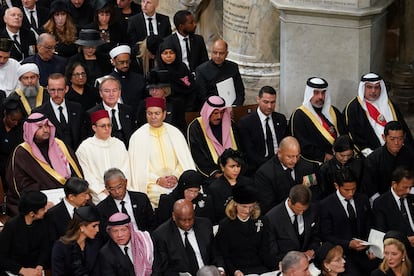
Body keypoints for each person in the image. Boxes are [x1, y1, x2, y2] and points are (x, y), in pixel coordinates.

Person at [5, 112, 83, 216]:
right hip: (39, 201)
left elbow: (75, 172)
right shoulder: (21, 152)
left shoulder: (59, 145)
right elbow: (19, 186)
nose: (46, 130)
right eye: (40, 127)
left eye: (47, 126)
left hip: (67, 195)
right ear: (30, 130)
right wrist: (45, 194)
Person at [129, 97, 195, 207]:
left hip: (177, 181)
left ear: (164, 114)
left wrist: (175, 176)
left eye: (157, 113)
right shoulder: (138, 137)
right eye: (149, 113)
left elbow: (183, 161)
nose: (153, 117)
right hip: (152, 185)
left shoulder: (175, 133)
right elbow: (138, 169)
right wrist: (158, 180)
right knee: (164, 199)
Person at [319, 167, 378, 275]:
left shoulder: (363, 199)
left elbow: (370, 225)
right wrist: (348, 244)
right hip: (343, 254)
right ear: (337, 186)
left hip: (365, 250)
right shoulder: (326, 205)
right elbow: (326, 235)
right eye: (347, 190)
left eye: (354, 189)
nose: (351, 193)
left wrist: (372, 246)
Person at [344, 72, 414, 157]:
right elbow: (353, 135)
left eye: (377, 87)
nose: (373, 91)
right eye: (369, 87)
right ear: (363, 88)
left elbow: (402, 128)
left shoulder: (389, 104)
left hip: (397, 151)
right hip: (371, 156)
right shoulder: (354, 108)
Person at [152, 199, 224, 275]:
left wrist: (220, 269)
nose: (187, 224)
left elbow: (216, 253)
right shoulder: (162, 235)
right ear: (174, 216)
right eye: (183, 220)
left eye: (190, 219)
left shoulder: (205, 225)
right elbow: (163, 269)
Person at [76, 110, 130, 204]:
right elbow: (86, 173)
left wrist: (118, 187)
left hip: (120, 189)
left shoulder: (118, 144)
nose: (107, 128)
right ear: (94, 128)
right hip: (99, 193)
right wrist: (101, 190)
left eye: (109, 125)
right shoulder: (85, 147)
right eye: (103, 126)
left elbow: (126, 167)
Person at [255, 136, 320, 214]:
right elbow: (268, 205)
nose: (294, 161)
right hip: (281, 217)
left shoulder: (308, 167)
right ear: (279, 153)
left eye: (297, 156)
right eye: (290, 157)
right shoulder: (264, 174)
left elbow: (314, 194)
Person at [215, 184, 269, 275]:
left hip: (259, 268)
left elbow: (265, 250)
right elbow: (224, 254)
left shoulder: (261, 221)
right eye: (244, 207)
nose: (247, 211)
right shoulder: (225, 225)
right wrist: (234, 271)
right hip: (238, 270)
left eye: (251, 206)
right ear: (235, 204)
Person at [290, 77, 347, 163]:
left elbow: (344, 134)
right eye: (316, 93)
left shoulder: (334, 111)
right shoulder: (299, 115)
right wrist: (326, 157)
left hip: (340, 160)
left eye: (323, 93)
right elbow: (303, 146)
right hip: (314, 163)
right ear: (309, 93)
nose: (320, 97)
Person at [263, 185, 320, 269]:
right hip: (287, 266)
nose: (301, 213)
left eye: (304, 210)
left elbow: (316, 235)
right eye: (298, 209)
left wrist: (312, 251)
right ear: (289, 201)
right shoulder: (272, 218)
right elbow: (272, 251)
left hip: (311, 263)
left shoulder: (313, 210)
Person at [238, 85, 288, 175]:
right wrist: (270, 166)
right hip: (258, 167)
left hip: (281, 163)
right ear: (258, 99)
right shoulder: (246, 123)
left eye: (273, 102)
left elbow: (286, 143)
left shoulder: (280, 119)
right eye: (266, 102)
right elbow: (249, 153)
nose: (269, 106)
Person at [187, 95, 239, 182]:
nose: (219, 116)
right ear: (208, 112)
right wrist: (215, 173)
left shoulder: (230, 125)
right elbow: (197, 157)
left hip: (235, 171)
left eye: (222, 112)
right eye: (215, 113)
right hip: (211, 175)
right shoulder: (195, 127)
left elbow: (240, 149)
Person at [362, 121, 414, 203]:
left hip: (408, 196)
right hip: (382, 201)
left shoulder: (410, 154)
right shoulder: (373, 159)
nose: (396, 143)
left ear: (404, 137)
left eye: (400, 139)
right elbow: (370, 187)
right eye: (392, 139)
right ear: (384, 137)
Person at [33, 72, 87, 150]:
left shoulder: (77, 108)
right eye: (52, 90)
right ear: (47, 89)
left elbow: (83, 135)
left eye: (60, 90)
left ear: (66, 89)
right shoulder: (39, 113)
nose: (56, 94)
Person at [0, 191, 49, 276]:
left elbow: (45, 247)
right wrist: (21, 270)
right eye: (42, 209)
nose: (45, 211)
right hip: (15, 270)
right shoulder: (12, 226)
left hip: (36, 270)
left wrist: (40, 265)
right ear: (32, 213)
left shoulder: (43, 223)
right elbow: (2, 256)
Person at [97, 167, 155, 233]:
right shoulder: (102, 208)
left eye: (119, 187)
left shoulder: (141, 199)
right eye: (112, 189)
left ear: (126, 182)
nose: (117, 191)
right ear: (107, 188)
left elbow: (152, 224)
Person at [373, 166, 414, 259]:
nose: (408, 191)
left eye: (410, 187)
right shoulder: (381, 203)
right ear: (394, 184)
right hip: (400, 250)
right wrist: (405, 241)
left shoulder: (411, 198)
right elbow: (382, 233)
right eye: (405, 187)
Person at [51, 205, 102, 276]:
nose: (97, 230)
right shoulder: (60, 247)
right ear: (82, 227)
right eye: (94, 226)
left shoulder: (95, 244)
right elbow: (58, 273)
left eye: (98, 225)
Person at [87, 75, 136, 148]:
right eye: (107, 91)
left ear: (119, 93)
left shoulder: (128, 110)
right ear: (100, 93)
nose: (111, 94)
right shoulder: (92, 113)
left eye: (114, 90)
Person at [207, 148, 251, 224]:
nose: (236, 170)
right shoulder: (214, 188)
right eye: (232, 166)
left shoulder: (247, 182)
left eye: (238, 166)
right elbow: (216, 215)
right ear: (222, 167)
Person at [196, 39, 245, 106]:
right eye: (215, 52)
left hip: (232, 107)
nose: (218, 56)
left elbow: (240, 92)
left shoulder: (233, 67)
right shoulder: (201, 70)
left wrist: (235, 106)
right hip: (212, 108)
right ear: (211, 52)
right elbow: (202, 96)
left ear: (226, 54)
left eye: (221, 53)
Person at [157, 39, 199, 112]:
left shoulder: (182, 68)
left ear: (176, 53)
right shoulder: (157, 72)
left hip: (186, 106)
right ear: (160, 55)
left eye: (171, 52)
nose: (168, 56)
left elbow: (191, 87)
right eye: (165, 53)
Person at [46, 177, 91, 244]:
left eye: (88, 193)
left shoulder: (90, 208)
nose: (88, 197)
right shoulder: (53, 214)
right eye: (84, 195)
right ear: (71, 197)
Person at [108, 45, 146, 109]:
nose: (125, 65)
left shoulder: (139, 79)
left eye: (127, 62)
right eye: (121, 62)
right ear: (113, 62)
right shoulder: (107, 81)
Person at [0, 95, 23, 190]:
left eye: (18, 120)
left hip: (13, 170)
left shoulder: (20, 128)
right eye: (13, 120)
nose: (16, 123)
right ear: (5, 114)